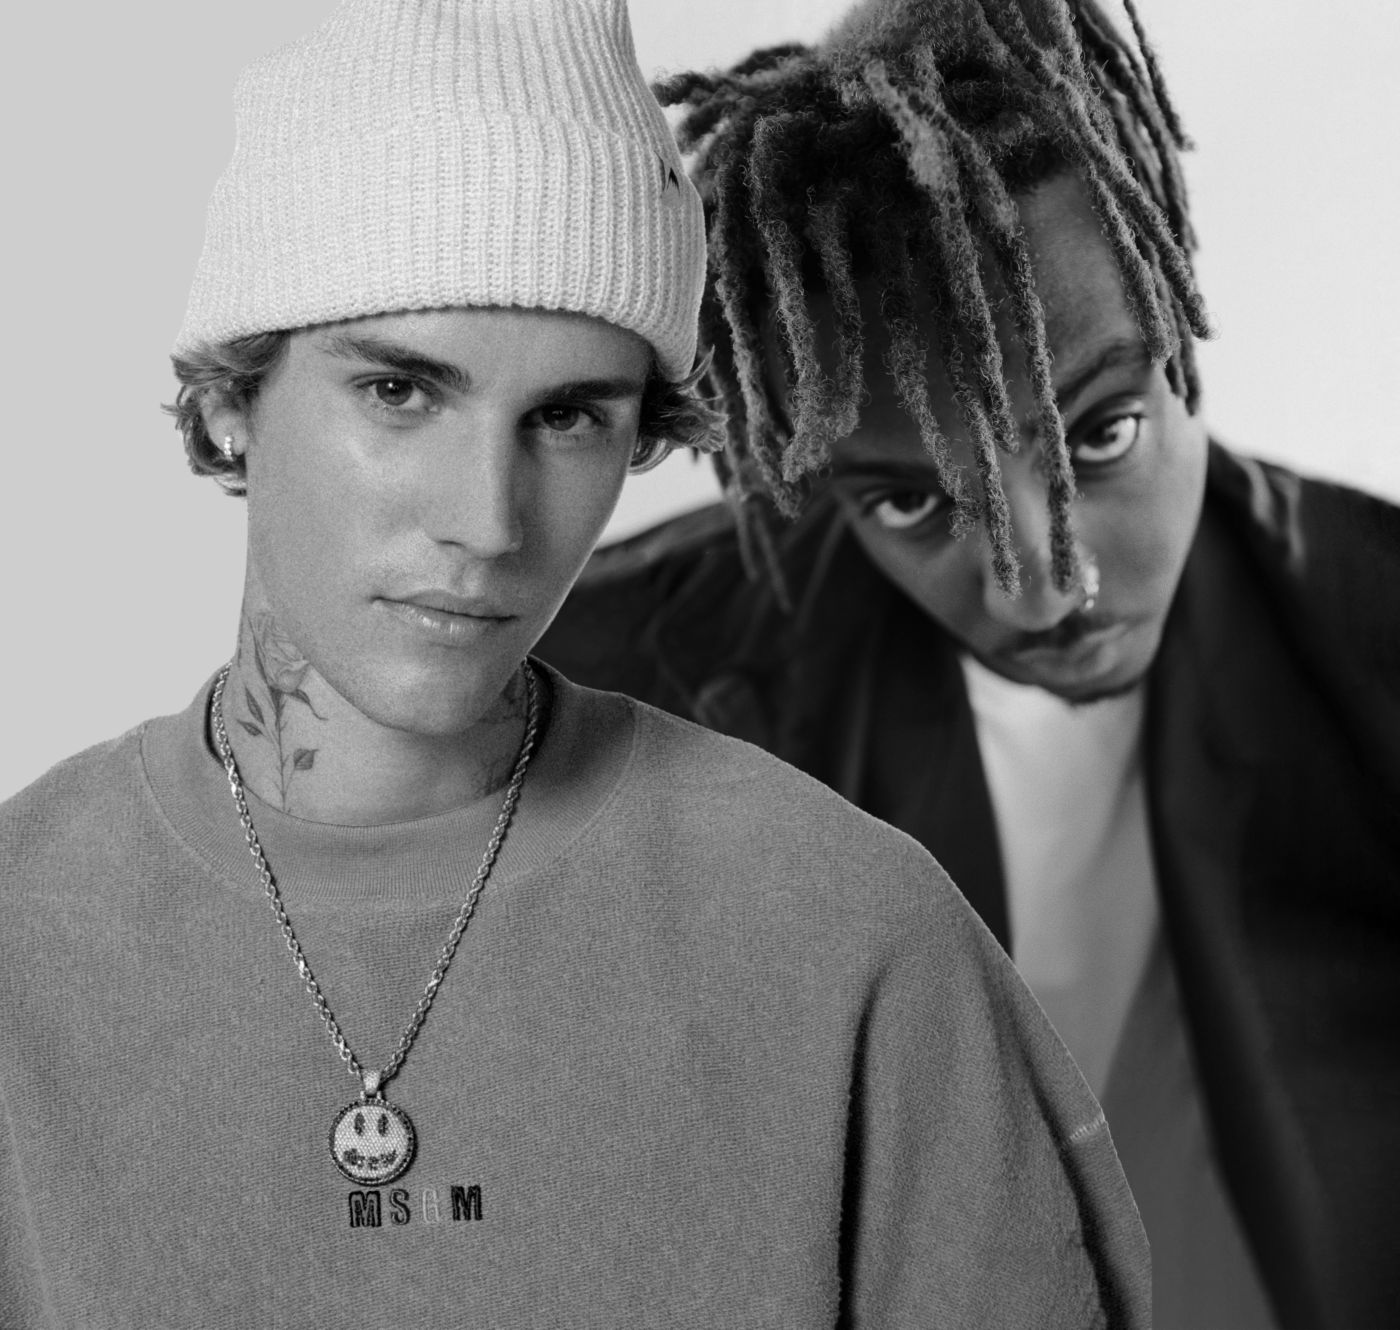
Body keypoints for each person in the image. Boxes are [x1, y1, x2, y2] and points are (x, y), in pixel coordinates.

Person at [0, 1, 1155, 1325]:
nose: (488, 520)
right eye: (399, 392)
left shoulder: (846, 941)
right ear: (227, 403)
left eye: (567, 417)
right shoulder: (24, 934)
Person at [538, 0, 1400, 1327]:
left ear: (1179, 318)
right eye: (914, 502)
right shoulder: (607, 700)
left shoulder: (1371, 626)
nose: (1045, 583)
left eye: (1101, 435)